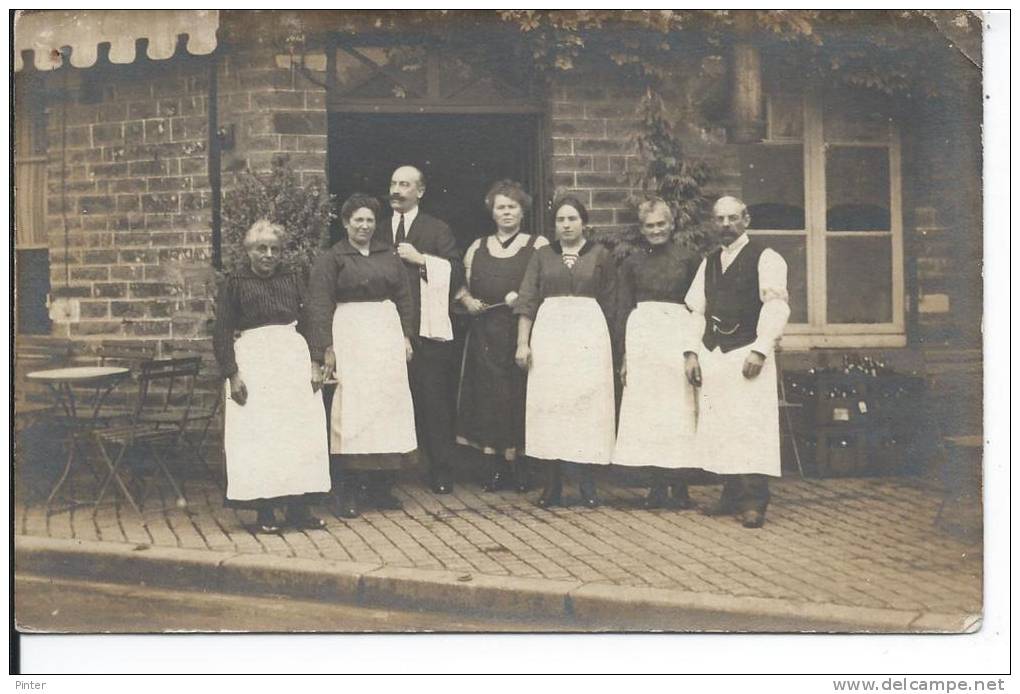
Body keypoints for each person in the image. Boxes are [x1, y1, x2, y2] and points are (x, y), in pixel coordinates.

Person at [213, 219, 331, 533]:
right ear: (249, 250)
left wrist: (315, 362)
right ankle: (265, 511)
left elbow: (309, 322)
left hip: (292, 359)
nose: (268, 255)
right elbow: (222, 332)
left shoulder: (293, 278)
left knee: (298, 435)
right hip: (254, 363)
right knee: (262, 436)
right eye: (261, 248)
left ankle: (298, 509)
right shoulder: (234, 283)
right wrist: (232, 375)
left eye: (274, 249)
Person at [305, 193, 417, 518]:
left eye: (369, 220)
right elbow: (319, 304)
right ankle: (348, 491)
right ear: (345, 223)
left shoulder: (388, 255)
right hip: (350, 335)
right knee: (352, 410)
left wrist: (406, 336)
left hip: (385, 335)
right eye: (358, 220)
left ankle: (381, 488)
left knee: (386, 408)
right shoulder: (333, 257)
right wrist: (324, 348)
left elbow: (404, 296)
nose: (364, 226)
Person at [683, 195, 790, 529]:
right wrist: (691, 352)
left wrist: (760, 349)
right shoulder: (710, 262)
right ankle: (729, 495)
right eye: (720, 219)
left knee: (750, 427)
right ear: (713, 223)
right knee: (723, 426)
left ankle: (754, 501)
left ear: (746, 220)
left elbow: (776, 306)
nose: (726, 225)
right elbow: (696, 311)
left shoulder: (766, 258)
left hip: (747, 353)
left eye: (732, 218)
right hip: (716, 353)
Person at [514, 196, 617, 508]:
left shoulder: (600, 254)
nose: (567, 225)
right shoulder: (543, 255)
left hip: (588, 335)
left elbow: (611, 301)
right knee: (552, 405)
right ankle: (553, 484)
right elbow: (527, 299)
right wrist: (523, 342)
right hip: (550, 336)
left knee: (585, 406)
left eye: (572, 219)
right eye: (561, 220)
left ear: (583, 222)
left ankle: (587, 483)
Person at [455, 180, 548, 492]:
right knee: (488, 398)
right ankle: (494, 467)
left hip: (522, 332)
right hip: (485, 334)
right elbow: (460, 284)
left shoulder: (538, 245)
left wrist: (521, 297)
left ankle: (520, 466)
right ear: (492, 213)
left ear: (522, 211)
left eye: (512, 207)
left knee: (520, 396)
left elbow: (547, 285)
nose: (506, 212)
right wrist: (467, 300)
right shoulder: (477, 248)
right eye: (501, 207)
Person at [611, 198, 701, 508]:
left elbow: (698, 306)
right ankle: (657, 486)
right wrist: (624, 354)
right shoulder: (632, 263)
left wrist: (693, 349)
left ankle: (680, 485)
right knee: (649, 411)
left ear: (672, 224)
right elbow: (623, 308)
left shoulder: (689, 259)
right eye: (649, 226)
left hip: (675, 335)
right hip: (643, 339)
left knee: (677, 408)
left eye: (661, 224)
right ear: (641, 229)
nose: (656, 230)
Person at [383, 165, 463, 494]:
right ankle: (385, 474)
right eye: (393, 183)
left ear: (420, 192)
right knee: (385, 398)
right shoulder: (375, 228)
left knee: (433, 401)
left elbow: (457, 272)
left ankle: (440, 470)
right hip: (386, 327)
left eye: (405, 184)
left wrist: (422, 259)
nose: (397, 190)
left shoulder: (436, 229)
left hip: (426, 329)